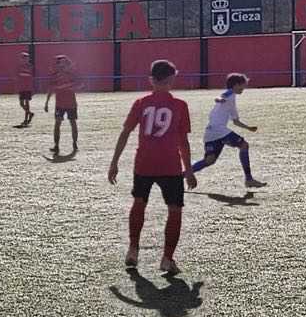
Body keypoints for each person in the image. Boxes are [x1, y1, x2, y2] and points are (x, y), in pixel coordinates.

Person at [107, 59, 196, 275]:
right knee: (175, 210)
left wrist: (114, 162)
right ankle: (167, 258)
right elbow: (183, 142)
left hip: (144, 163)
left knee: (139, 203)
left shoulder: (141, 103)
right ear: (172, 79)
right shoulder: (180, 105)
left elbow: (125, 133)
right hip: (170, 165)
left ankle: (133, 249)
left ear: (151, 80)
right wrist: (189, 170)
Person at [191, 73, 266, 188]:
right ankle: (249, 179)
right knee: (244, 145)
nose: (244, 88)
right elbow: (219, 97)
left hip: (211, 132)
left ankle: (180, 175)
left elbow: (235, 121)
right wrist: (220, 99)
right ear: (236, 85)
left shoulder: (232, 100)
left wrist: (248, 128)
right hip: (219, 130)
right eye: (243, 85)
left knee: (209, 160)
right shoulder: (229, 94)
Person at [44, 55, 80, 156]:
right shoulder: (55, 76)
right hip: (60, 104)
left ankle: (74, 143)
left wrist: (73, 87)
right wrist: (47, 102)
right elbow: (51, 89)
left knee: (72, 123)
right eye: (60, 62)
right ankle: (56, 145)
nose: (62, 64)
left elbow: (79, 85)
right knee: (58, 124)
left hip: (71, 103)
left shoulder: (72, 74)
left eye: (64, 62)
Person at [16, 51, 35, 127]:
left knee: (27, 104)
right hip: (21, 87)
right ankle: (30, 113)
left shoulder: (30, 66)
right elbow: (17, 76)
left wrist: (33, 88)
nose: (25, 59)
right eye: (23, 58)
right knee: (21, 103)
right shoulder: (19, 67)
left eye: (26, 58)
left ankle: (26, 119)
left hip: (28, 87)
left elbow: (31, 77)